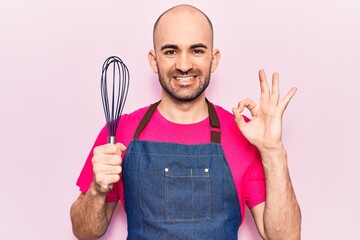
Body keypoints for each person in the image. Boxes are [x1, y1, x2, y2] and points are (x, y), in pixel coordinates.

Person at [70, 4, 301, 240]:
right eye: (170, 51)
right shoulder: (121, 131)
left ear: (214, 59)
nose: (183, 65)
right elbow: (84, 232)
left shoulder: (244, 132)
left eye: (197, 51)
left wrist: (273, 151)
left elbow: (285, 237)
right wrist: (97, 191)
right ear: (153, 60)